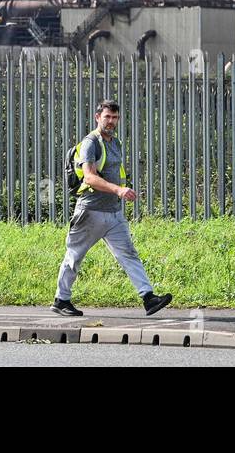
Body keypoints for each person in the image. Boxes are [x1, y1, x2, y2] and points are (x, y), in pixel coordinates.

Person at [52, 99, 173, 317]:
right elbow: (89, 177)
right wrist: (118, 190)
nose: (111, 121)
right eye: (107, 117)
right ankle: (61, 300)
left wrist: (122, 192)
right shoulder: (91, 143)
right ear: (97, 117)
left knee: (128, 254)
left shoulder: (114, 142)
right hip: (90, 212)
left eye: (115, 117)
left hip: (114, 213)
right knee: (75, 256)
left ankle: (148, 298)